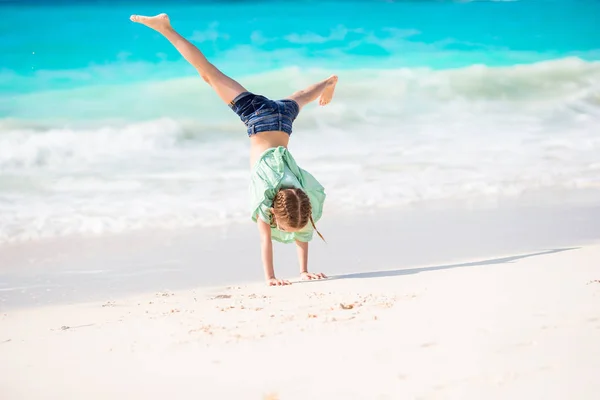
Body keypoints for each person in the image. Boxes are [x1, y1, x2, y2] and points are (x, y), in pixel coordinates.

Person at [130, 14, 338, 286]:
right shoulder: (266, 198)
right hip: (258, 117)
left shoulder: (300, 195)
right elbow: (266, 240)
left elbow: (303, 229)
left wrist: (303, 272)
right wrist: (271, 278)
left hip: (283, 119)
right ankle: (165, 28)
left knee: (301, 96)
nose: (285, 233)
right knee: (208, 73)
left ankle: (327, 83)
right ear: (274, 213)